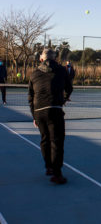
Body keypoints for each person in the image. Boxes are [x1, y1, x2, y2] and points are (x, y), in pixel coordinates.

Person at [28, 49, 73, 184]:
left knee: (45, 139)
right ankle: (57, 174)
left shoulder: (34, 73)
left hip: (39, 111)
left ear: (41, 59)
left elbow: (30, 97)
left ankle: (49, 167)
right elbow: (69, 88)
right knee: (57, 142)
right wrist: (63, 100)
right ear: (55, 59)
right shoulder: (61, 70)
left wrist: (34, 116)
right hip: (55, 110)